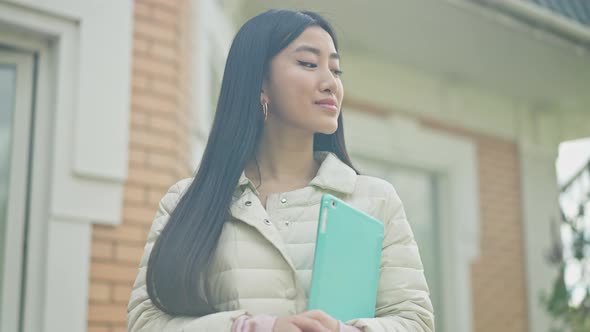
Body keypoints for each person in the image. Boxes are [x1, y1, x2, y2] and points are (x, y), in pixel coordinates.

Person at [127, 8, 434, 332]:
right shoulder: (186, 201)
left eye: (336, 69)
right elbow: (146, 323)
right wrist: (256, 328)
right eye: (308, 63)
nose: (331, 83)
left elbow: (415, 321)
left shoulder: (375, 200)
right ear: (259, 82)